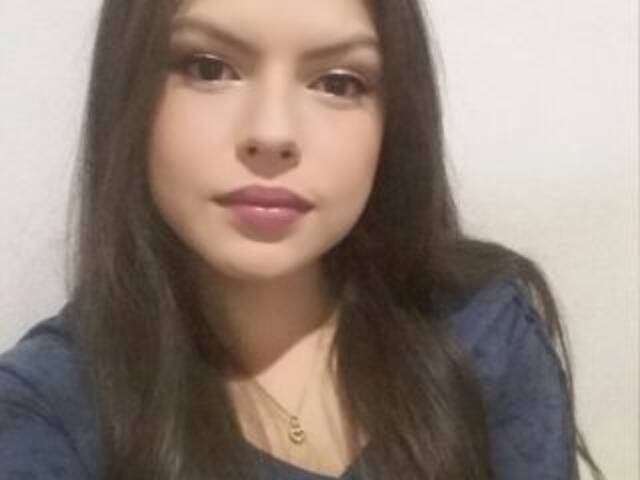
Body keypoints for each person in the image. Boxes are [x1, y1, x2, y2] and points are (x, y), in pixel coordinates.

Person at [0, 0, 606, 479]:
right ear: (127, 89)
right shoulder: (47, 410)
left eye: (338, 83)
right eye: (209, 68)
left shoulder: (483, 331)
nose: (272, 133)